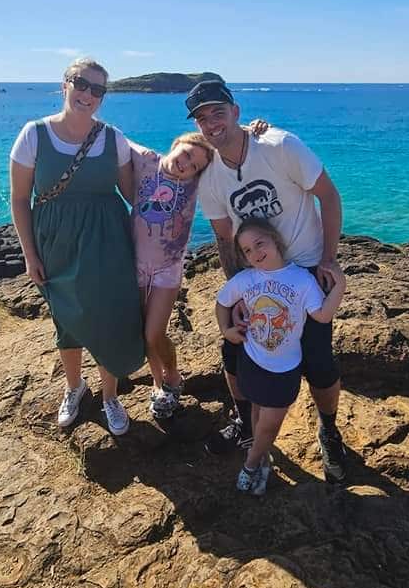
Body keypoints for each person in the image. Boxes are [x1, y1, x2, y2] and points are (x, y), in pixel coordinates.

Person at [186, 78, 347, 483]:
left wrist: (328, 259)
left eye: (218, 112)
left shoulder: (280, 146)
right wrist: (239, 292)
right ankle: (245, 421)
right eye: (202, 118)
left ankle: (329, 430)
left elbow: (328, 196)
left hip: (306, 269)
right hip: (254, 276)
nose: (212, 123)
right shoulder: (210, 177)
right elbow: (224, 238)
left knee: (318, 363)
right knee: (234, 350)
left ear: (236, 112)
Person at [9, 58, 144, 434]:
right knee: (66, 319)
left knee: (109, 318)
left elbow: (133, 194)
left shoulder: (114, 138)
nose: (88, 94)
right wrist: (29, 254)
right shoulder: (33, 135)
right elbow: (19, 199)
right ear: (65, 84)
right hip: (55, 242)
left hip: (108, 242)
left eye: (97, 89)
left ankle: (110, 396)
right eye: (81, 84)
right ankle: (74, 387)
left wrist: (181, 173)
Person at [127, 121, 269, 422]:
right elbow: (113, 139)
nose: (186, 165)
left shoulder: (194, 184)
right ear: (177, 143)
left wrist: (248, 129)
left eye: (194, 166)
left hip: (167, 269)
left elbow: (230, 151)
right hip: (135, 265)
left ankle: (173, 376)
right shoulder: (146, 159)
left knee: (154, 332)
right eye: (187, 154)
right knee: (143, 332)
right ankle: (158, 384)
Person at [216, 217, 346, 494]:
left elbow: (322, 316)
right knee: (257, 412)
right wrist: (226, 330)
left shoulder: (302, 280)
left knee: (270, 423)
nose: (255, 253)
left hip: (285, 369)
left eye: (259, 243)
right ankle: (262, 457)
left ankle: (251, 463)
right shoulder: (246, 279)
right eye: (247, 250)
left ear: (276, 240)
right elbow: (222, 302)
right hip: (252, 362)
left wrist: (340, 286)